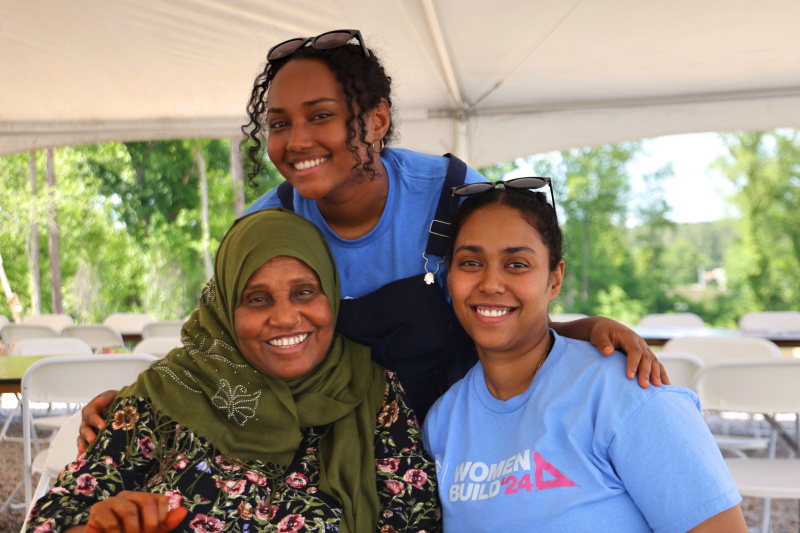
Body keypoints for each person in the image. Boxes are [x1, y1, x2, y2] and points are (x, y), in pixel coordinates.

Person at [78, 28, 666, 450]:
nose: (297, 140)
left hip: (466, 440)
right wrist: (137, 405)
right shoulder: (264, 229)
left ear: (376, 121)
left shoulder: (458, 198)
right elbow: (223, 351)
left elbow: (502, 308)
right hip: (335, 454)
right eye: (279, 123)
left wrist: (585, 330)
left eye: (321, 115)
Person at [26, 208, 439, 533]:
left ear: (330, 293)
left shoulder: (369, 390)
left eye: (304, 292)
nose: (285, 317)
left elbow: (416, 520)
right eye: (257, 299)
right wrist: (95, 526)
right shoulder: (170, 391)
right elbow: (53, 513)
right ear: (225, 309)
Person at [421, 182, 746, 532]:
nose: (491, 283)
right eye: (471, 262)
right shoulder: (443, 422)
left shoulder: (625, 392)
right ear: (450, 276)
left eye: (517, 264)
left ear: (554, 280)